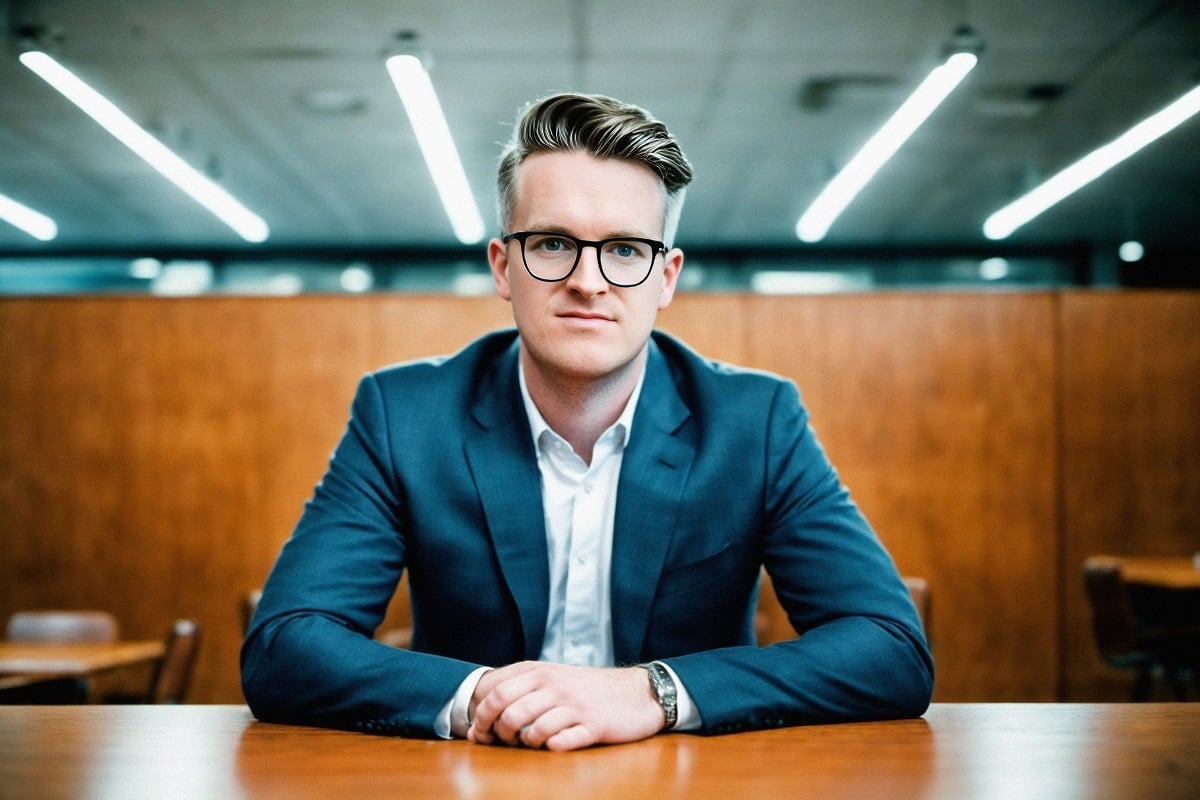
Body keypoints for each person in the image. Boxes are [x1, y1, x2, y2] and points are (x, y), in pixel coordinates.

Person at [241, 92, 933, 751]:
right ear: (503, 265)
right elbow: (285, 645)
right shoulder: (404, 415)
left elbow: (889, 648)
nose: (589, 281)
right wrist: (489, 697)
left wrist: (652, 693)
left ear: (666, 278)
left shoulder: (756, 422)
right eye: (551, 244)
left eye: (627, 250)